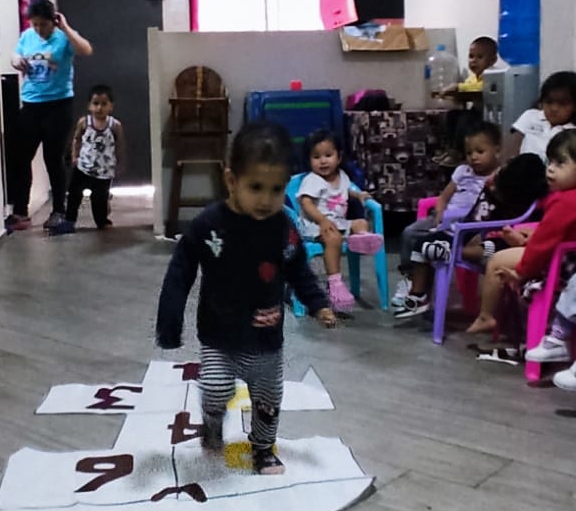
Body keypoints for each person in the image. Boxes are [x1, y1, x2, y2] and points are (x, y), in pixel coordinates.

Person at [156, 122, 335, 476]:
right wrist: (170, 322)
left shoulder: (283, 227)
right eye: (255, 187)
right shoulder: (208, 225)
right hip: (219, 335)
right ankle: (211, 424)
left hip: (266, 338)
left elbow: (298, 268)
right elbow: (180, 271)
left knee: (268, 398)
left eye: (276, 189)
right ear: (231, 180)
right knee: (216, 389)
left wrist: (318, 303)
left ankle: (263, 448)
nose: (266, 200)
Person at [466, 128, 576, 336]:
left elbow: (543, 245)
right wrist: (531, 237)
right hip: (565, 256)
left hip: (562, 264)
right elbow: (561, 233)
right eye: (550, 162)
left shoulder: (564, 202)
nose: (550, 170)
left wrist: (522, 271)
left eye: (560, 163)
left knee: (497, 261)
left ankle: (486, 316)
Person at [392, 121, 502, 321]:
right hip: (445, 219)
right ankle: (410, 278)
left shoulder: (499, 177)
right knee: (410, 233)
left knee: (427, 245)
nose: (474, 157)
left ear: (496, 149)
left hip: (470, 227)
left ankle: (420, 291)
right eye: (469, 153)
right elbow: (443, 197)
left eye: (480, 151)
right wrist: (439, 214)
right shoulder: (463, 171)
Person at [5, 0, 93, 232]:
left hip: (58, 106)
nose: (38, 29)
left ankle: (58, 211)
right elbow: (15, 55)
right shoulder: (27, 36)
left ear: (53, 21)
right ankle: (20, 213)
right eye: (35, 24)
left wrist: (66, 27)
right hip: (31, 105)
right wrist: (16, 60)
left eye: (43, 24)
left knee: (53, 159)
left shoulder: (63, 37)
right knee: (21, 158)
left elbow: (86, 50)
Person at [296, 129, 383, 313]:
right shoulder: (312, 180)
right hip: (315, 225)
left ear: (339, 156)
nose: (323, 161)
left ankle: (361, 240)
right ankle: (335, 283)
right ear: (309, 160)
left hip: (337, 222)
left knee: (361, 223)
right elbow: (306, 203)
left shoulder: (342, 176)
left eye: (328, 155)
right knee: (333, 238)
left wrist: (358, 195)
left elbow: (346, 190)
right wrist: (322, 220)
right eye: (316, 157)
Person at [52, 83, 125, 234]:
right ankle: (70, 220)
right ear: (89, 105)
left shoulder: (115, 125)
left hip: (104, 171)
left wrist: (120, 162)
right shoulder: (84, 122)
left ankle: (102, 220)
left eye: (104, 104)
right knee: (74, 194)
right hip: (83, 167)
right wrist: (74, 156)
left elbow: (120, 144)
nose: (99, 108)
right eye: (95, 103)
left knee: (100, 198)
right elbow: (77, 139)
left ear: (111, 106)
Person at [433, 36, 501, 163]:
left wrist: (458, 87)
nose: (474, 61)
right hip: (476, 111)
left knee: (465, 119)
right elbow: (467, 90)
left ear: (492, 60)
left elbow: (480, 88)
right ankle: (451, 149)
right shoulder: (473, 77)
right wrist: (456, 95)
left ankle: (458, 152)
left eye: (479, 57)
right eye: (471, 56)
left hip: (488, 115)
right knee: (452, 115)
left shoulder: (493, 75)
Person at [508, 70, 576, 159]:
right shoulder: (530, 116)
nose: (554, 108)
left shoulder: (572, 132)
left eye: (562, 104)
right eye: (549, 102)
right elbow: (512, 147)